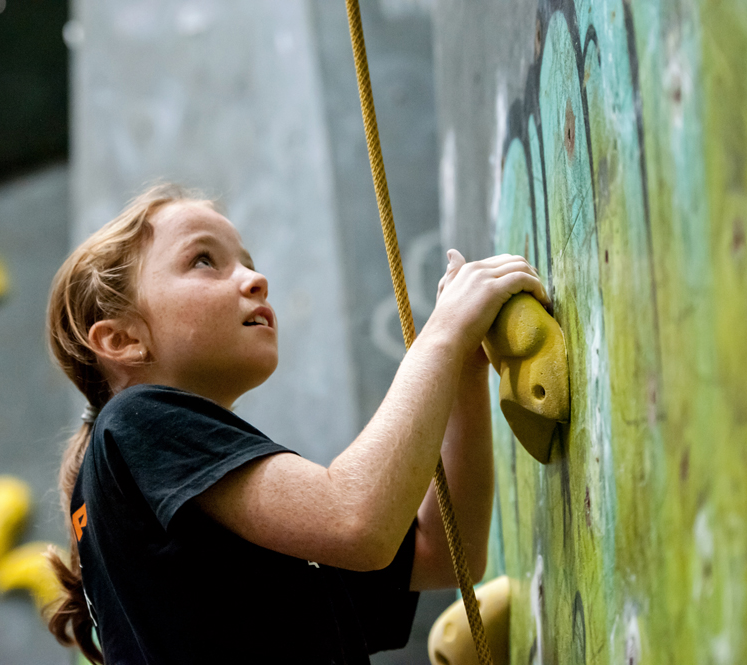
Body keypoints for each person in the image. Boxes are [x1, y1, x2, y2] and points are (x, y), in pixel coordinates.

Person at [44, 184, 549, 664]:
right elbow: (355, 520)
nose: (253, 279)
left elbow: (440, 553)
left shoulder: (196, 517)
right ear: (122, 340)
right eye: (203, 260)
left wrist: (462, 369)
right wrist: (441, 336)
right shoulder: (133, 421)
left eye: (248, 262)